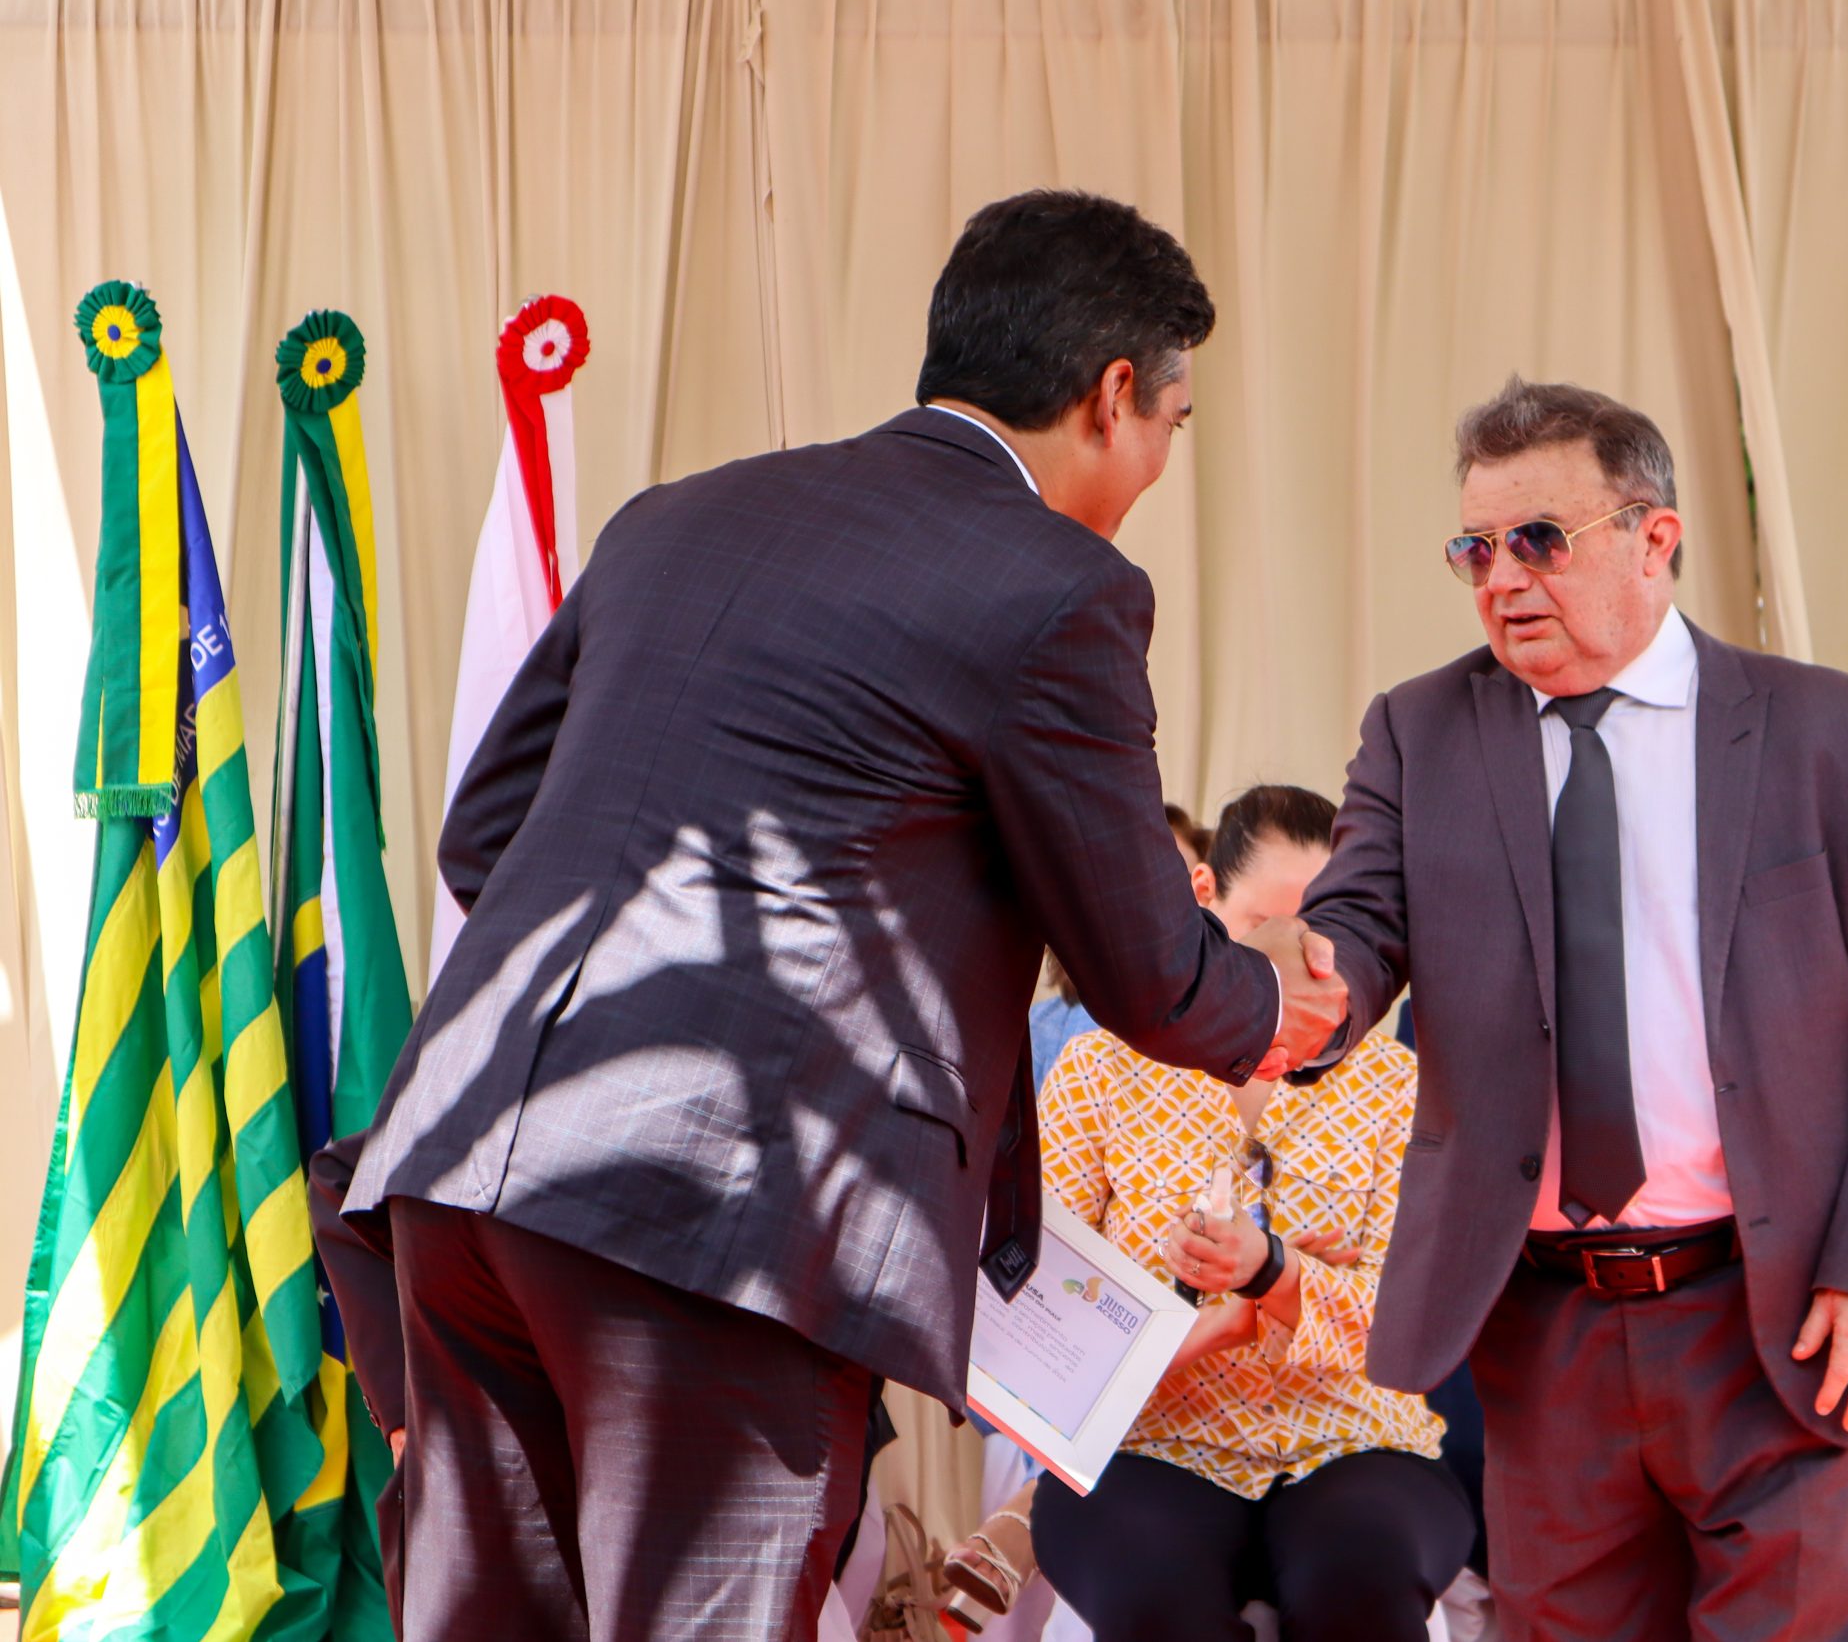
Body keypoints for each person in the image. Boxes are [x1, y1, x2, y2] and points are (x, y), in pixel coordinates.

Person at [341, 190, 1348, 1641]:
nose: (1159, 467)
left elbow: (486, 830)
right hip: (720, 1210)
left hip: (467, 1163)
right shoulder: (1060, 587)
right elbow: (1146, 969)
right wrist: (1278, 1005)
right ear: (1113, 394)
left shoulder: (679, 516)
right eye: (1173, 426)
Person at [1291, 378, 1848, 1639]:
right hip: (1545, 1326)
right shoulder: (1419, 732)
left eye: (1538, 541)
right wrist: (1278, 987)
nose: (1504, 579)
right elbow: (1351, 934)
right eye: (1475, 550)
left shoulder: (1832, 733)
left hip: (1776, 1311)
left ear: (1653, 536)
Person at [986, 785, 1474, 1641]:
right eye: (1266, 930)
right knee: (1154, 1602)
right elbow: (1035, 1323)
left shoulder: (1398, 1086)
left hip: (1356, 1440)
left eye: (1320, 942)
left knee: (1360, 1580)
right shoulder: (1102, 1071)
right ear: (1204, 897)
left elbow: (1418, 1314)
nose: (1297, 972)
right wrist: (1228, 1318)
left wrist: (1278, 1275)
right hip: (1149, 1446)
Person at [1029, 804, 1211, 1085]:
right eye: (1137, 881)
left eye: (1180, 882)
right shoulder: (1038, 1031)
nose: (1157, 903)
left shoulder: (1227, 1031)